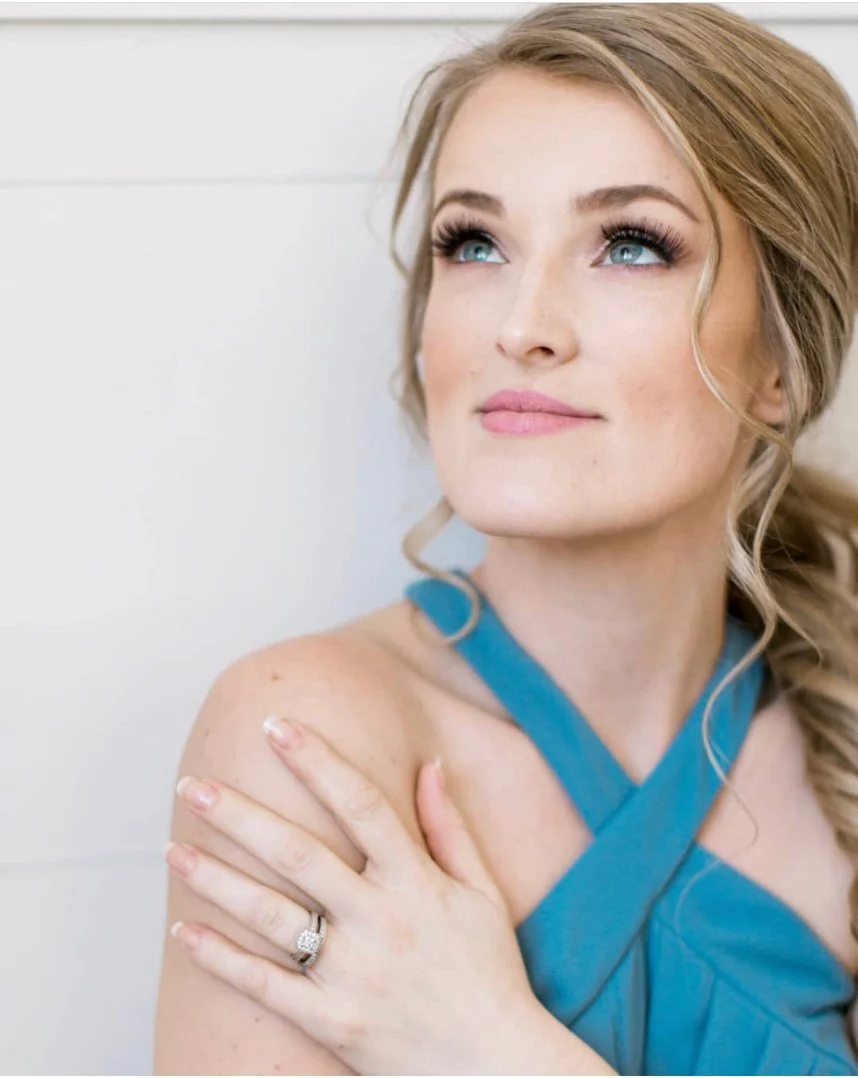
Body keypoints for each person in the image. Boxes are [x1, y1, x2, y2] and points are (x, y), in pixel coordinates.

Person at [154, 3, 858, 1074]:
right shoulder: (309, 742)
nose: (520, 323)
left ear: (782, 359)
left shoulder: (840, 736)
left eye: (629, 246)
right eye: (474, 242)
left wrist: (496, 1049)